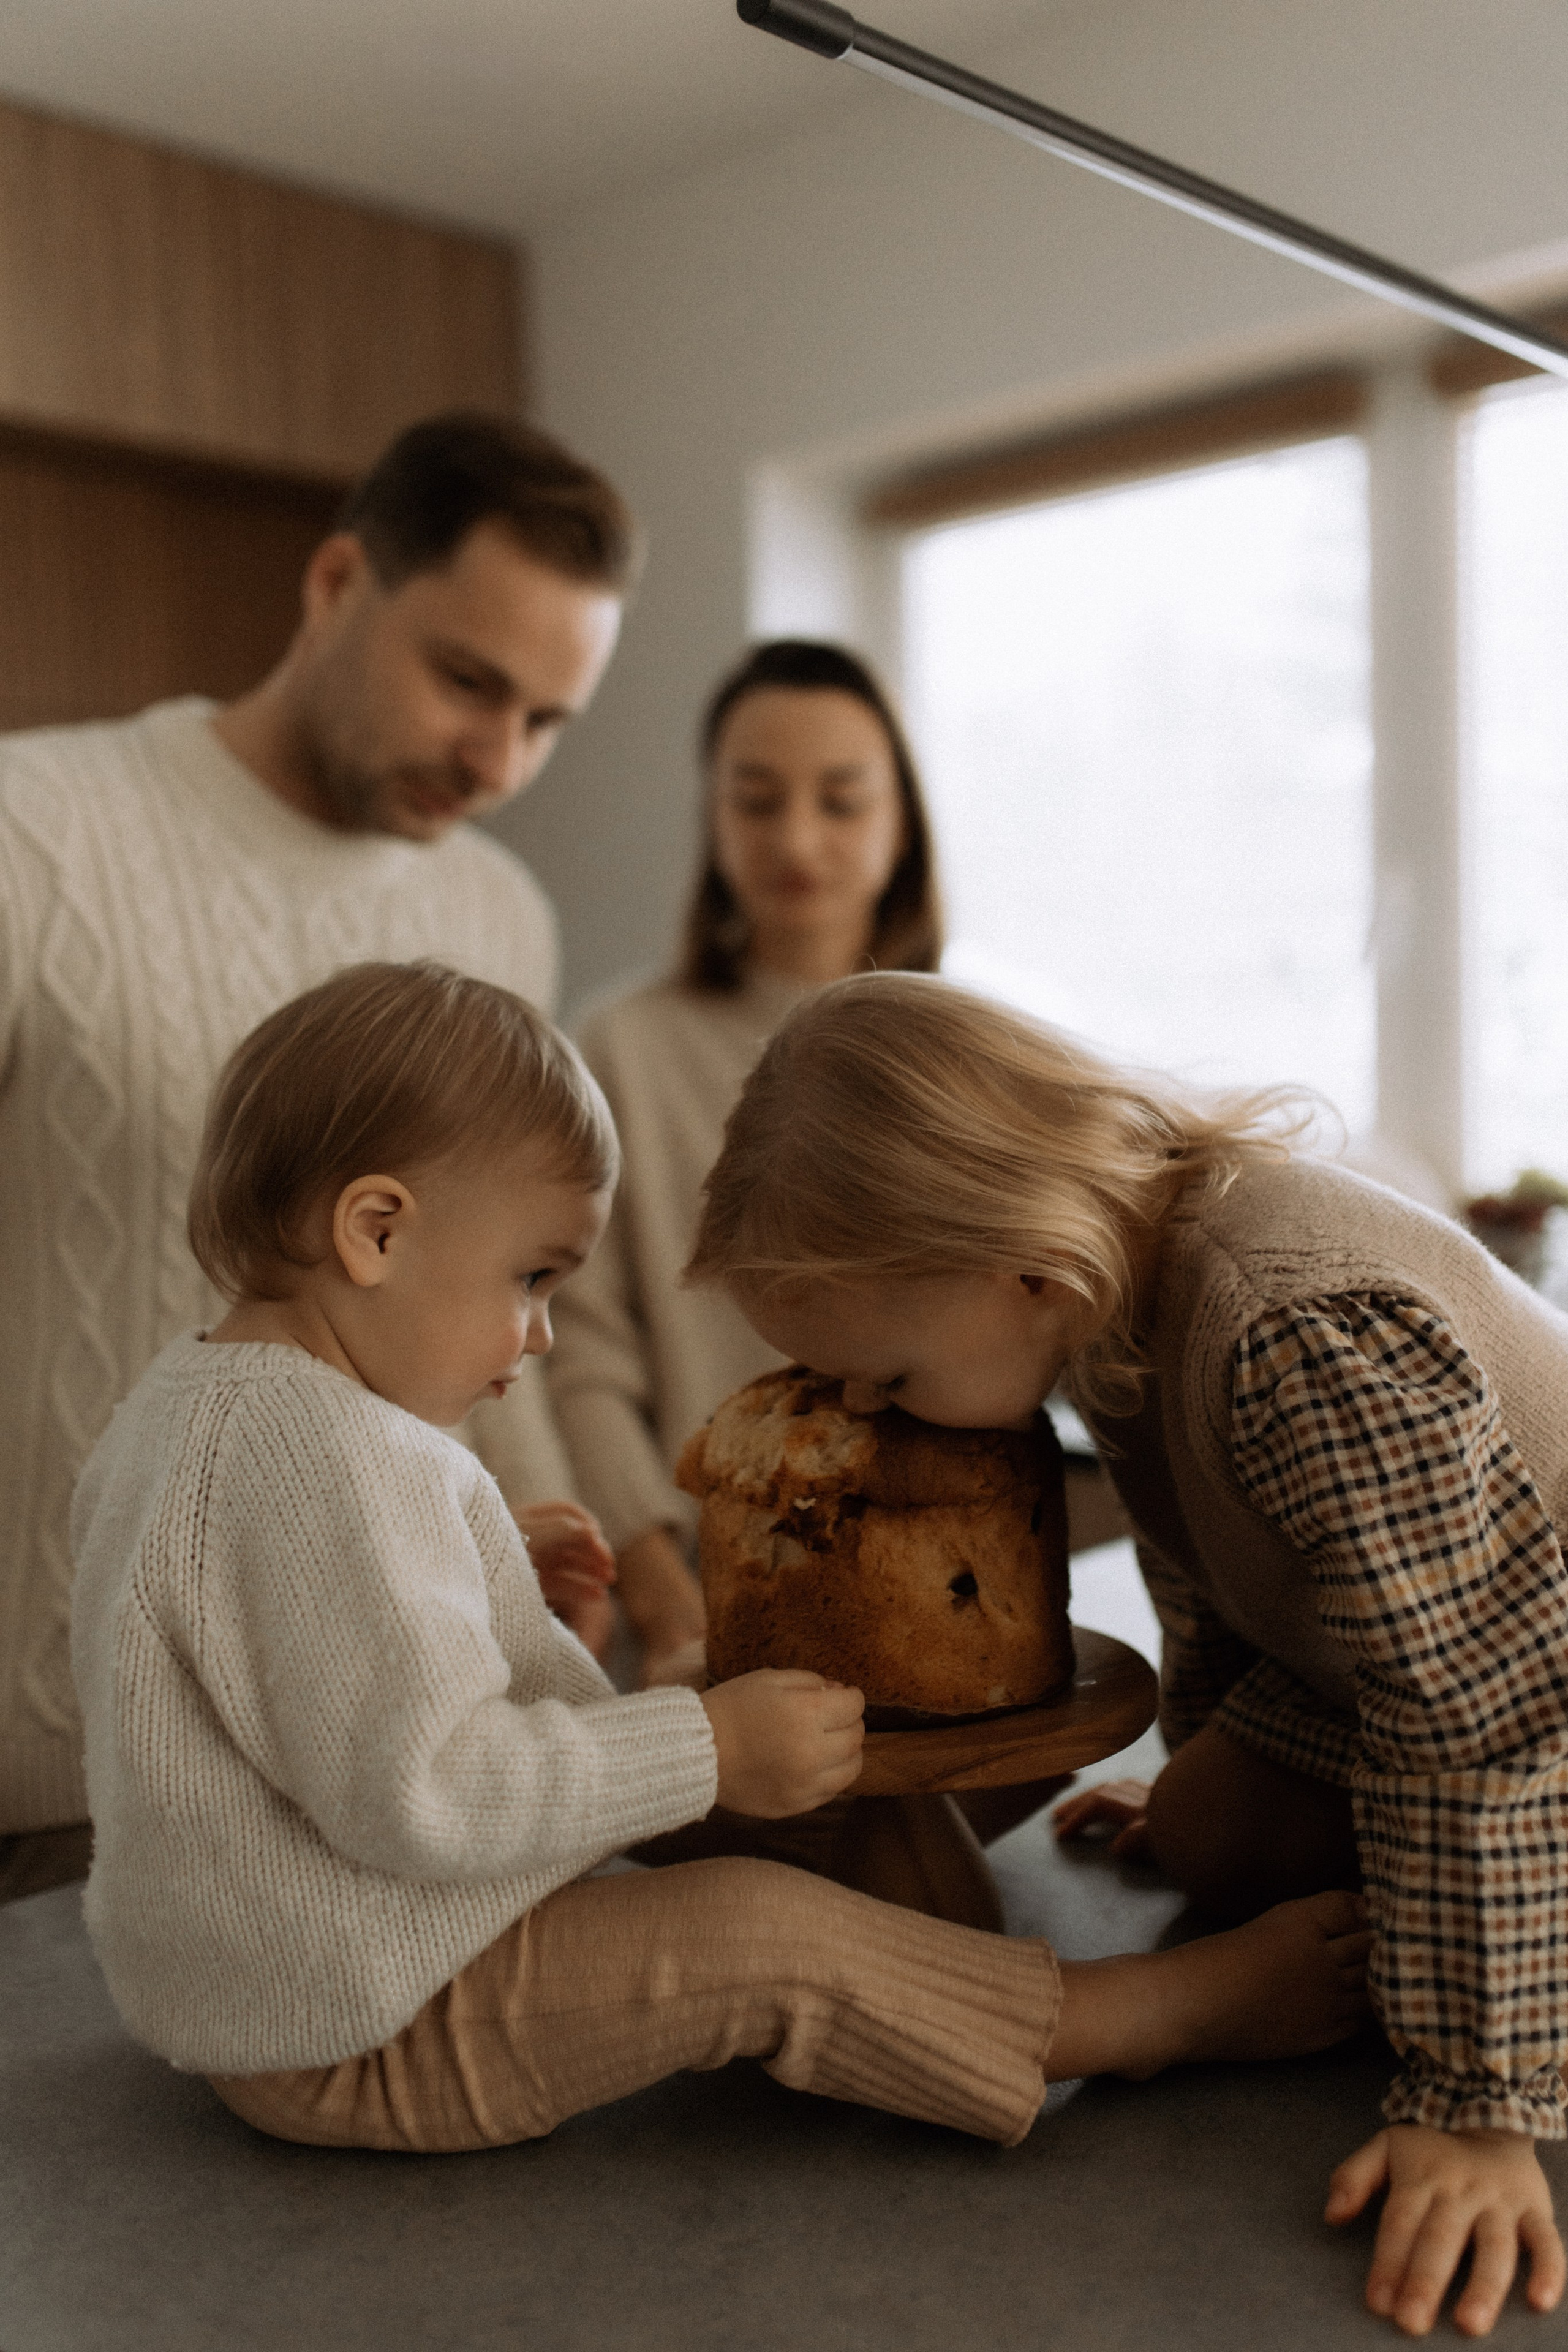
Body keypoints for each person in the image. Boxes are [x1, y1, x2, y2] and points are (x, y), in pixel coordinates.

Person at [68, 959, 1371, 2155]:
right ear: (377, 1231)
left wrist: (476, 1588)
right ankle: (1130, 2015)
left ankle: (919, 1937)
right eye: (531, 1277)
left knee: (758, 1794)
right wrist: (703, 1748)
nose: (538, 1338)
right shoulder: (328, 1453)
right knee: (756, 1935)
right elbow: (427, 1798)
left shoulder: (189, 1410)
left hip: (288, 1978)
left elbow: (276, 1666)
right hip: (365, 2018)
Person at [685, 969, 1568, 2341]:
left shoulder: (1294, 1331)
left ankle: (1502, 1993)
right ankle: (1431, 1915)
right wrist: (1202, 1764)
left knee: (1421, 1846)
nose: (862, 1407)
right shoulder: (1107, 1302)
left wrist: (1473, 2103)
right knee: (1208, 1833)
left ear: (1024, 1263)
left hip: (1526, 1681)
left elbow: (1480, 1707)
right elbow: (1216, 1576)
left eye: (889, 1375)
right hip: (1379, 1670)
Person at [0, 412, 633, 1899]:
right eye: (467, 681)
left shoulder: (500, 913)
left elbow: (496, 1278)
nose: (496, 757)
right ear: (336, 582)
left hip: (390, 1760)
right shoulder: (34, 831)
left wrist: (533, 1552)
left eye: (547, 721)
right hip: (58, 1769)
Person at [547, 640, 942, 1681]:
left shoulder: (965, 1048)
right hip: (693, 1603)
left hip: (932, 1584)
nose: (796, 838)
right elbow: (576, 1349)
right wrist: (660, 1587)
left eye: (843, 800)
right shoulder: (619, 1047)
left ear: (903, 820)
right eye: (757, 800)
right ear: (712, 817)